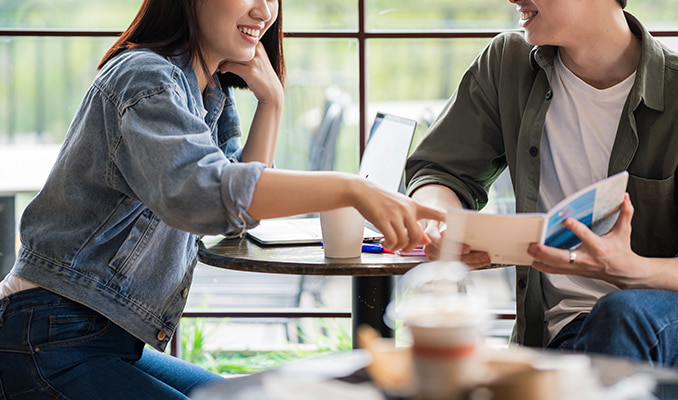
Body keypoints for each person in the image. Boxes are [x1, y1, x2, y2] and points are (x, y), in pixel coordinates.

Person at [0, 0, 443, 398]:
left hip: (94, 334)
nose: (264, 12)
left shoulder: (206, 93)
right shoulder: (146, 78)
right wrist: (351, 188)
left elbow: (234, 214)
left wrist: (271, 102)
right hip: (50, 333)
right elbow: (203, 195)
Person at [405, 0, 678, 397]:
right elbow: (439, 172)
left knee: (620, 314)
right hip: (562, 339)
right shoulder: (507, 65)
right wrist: (440, 223)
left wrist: (631, 270)